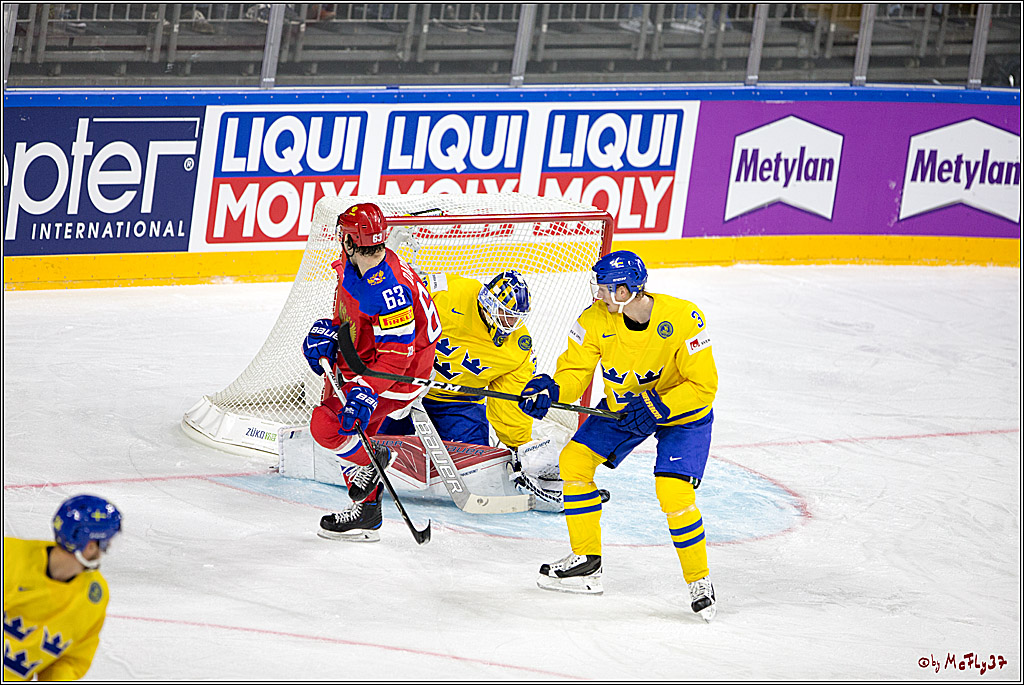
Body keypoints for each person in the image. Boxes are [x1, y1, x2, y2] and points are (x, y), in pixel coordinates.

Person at [518, 250, 719, 621]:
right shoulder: (593, 319)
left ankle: (699, 580)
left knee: (673, 492)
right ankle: (586, 561)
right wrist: (552, 389)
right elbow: (575, 371)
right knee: (575, 461)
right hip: (625, 408)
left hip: (682, 414)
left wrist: (659, 406)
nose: (599, 294)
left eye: (606, 288)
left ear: (626, 290)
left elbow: (704, 386)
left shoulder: (684, 318)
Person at [302, 202, 441, 543]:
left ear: (350, 240)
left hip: (401, 375)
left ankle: (374, 459)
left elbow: (397, 356)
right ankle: (366, 513)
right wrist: (330, 332)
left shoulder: (390, 289)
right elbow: (350, 308)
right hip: (365, 357)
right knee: (350, 429)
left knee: (328, 425)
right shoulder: (357, 264)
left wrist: (365, 388)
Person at [3, 494, 123, 681]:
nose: (106, 549)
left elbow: (72, 659)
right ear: (90, 546)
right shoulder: (8, 557)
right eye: (105, 543)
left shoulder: (93, 597)